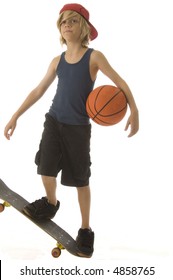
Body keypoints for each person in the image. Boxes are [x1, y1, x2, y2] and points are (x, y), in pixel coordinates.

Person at [4, 3, 139, 257]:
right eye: (64, 21)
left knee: (80, 180)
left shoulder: (94, 57)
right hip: (54, 120)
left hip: (78, 128)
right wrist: (15, 115)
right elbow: (38, 90)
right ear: (60, 27)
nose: (67, 25)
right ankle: (51, 203)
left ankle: (85, 230)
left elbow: (120, 82)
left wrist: (135, 111)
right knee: (45, 169)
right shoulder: (57, 61)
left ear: (84, 28)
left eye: (73, 21)